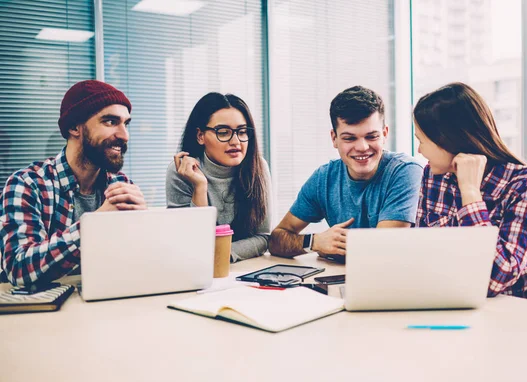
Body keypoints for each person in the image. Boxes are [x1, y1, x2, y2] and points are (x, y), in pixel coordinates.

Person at [413, 82, 527, 303]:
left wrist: (470, 194)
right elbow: (423, 254)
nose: (419, 150)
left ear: (447, 139)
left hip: (522, 310)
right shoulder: (434, 175)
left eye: (422, 140)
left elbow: (494, 279)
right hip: (454, 300)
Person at [0, 80, 147, 287]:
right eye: (110, 122)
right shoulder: (27, 184)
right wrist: (95, 225)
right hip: (47, 313)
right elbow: (19, 268)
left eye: (126, 123)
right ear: (73, 127)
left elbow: (137, 265)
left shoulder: (121, 184)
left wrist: (146, 226)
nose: (124, 135)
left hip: (106, 303)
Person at [269, 86, 423, 260]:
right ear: (334, 138)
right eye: (349, 138)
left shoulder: (406, 172)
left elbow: (382, 249)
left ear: (385, 134)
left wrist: (335, 245)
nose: (362, 147)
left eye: (371, 136)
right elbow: (276, 239)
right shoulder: (324, 178)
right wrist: (315, 241)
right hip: (338, 279)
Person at [166, 93, 271, 263]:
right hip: (194, 269)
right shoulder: (181, 171)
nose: (236, 141)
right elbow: (188, 243)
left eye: (242, 132)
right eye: (223, 132)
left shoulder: (258, 168)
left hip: (243, 269)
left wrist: (220, 255)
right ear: (200, 136)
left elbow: (263, 237)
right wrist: (199, 187)